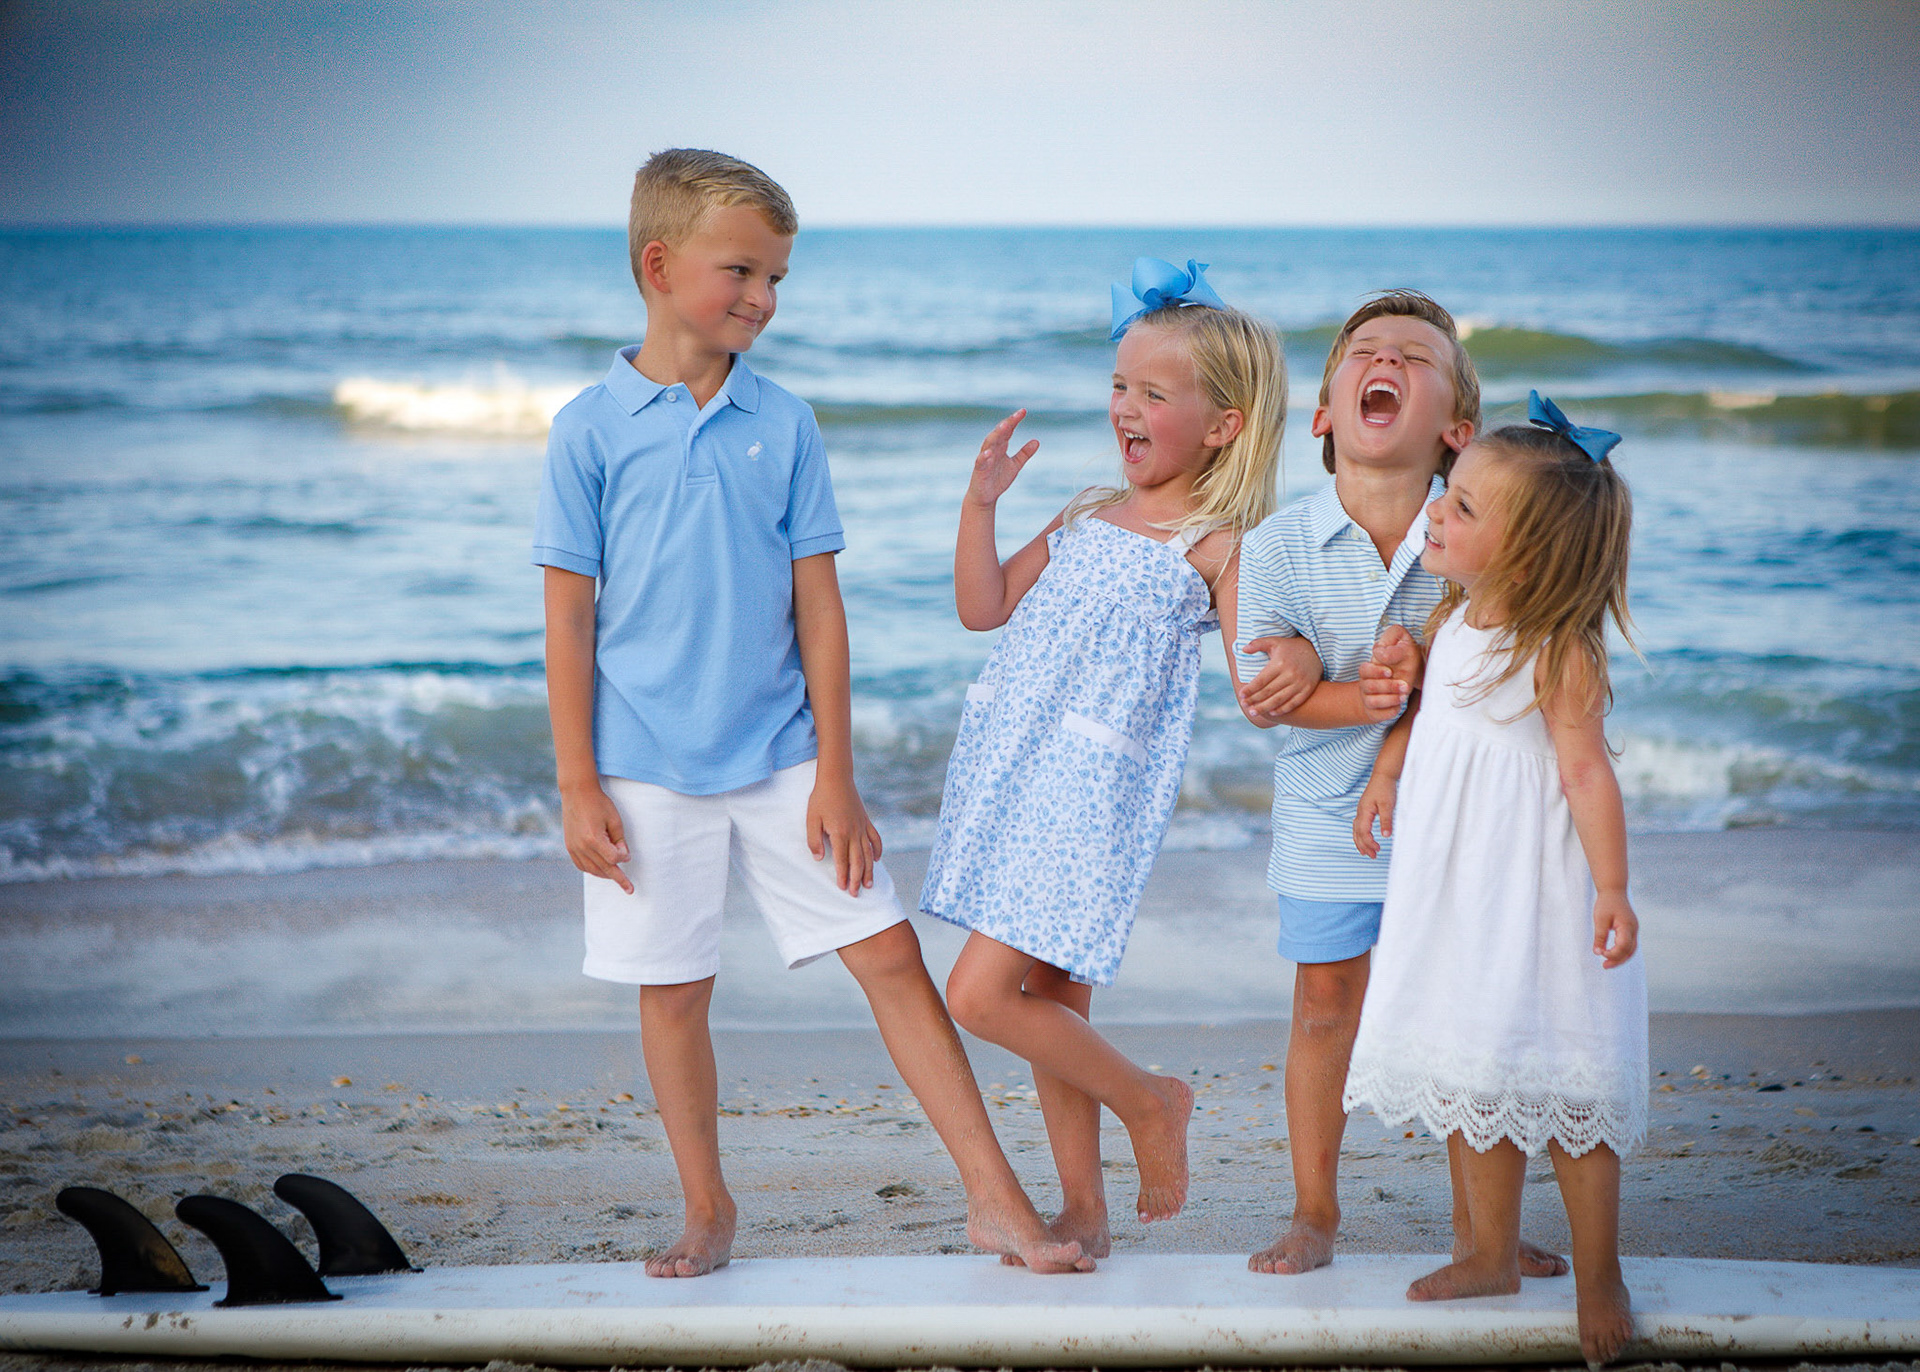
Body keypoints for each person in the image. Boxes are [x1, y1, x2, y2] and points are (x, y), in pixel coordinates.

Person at [534, 148, 1089, 1278]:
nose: (764, 298)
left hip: (784, 750)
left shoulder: (784, 422)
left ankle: (996, 1200)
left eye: (777, 278)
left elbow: (821, 611)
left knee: (889, 953)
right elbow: (570, 621)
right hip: (640, 761)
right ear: (659, 266)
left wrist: (836, 771)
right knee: (673, 992)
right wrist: (578, 782)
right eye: (742, 271)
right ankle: (708, 1209)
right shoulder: (587, 430)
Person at [923, 259, 1285, 1255]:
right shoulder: (1086, 513)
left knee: (980, 995)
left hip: (1089, 792)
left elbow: (1259, 683)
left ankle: (1151, 1101)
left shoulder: (1215, 544)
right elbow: (983, 607)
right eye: (1120, 385)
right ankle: (1084, 1207)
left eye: (1154, 394)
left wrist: (1319, 667)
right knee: (1052, 1001)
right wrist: (980, 504)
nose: (1126, 407)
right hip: (1017, 767)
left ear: (1224, 425)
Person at [1233, 292, 1568, 1280]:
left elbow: (1495, 666)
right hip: (1325, 813)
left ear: (1458, 431)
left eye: (1415, 358)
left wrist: (1396, 682)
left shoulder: (1478, 539)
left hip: (1460, 814)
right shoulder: (1276, 546)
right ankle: (1314, 1212)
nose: (1386, 360)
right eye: (1366, 352)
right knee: (1324, 1003)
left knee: (1469, 1015)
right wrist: (1327, 682)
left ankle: (1482, 1230)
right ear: (1325, 414)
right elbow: (1266, 699)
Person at [1342, 394, 1647, 1366]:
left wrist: (1612, 889)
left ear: (1528, 556)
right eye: (1450, 491)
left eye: (1465, 507)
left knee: (1566, 1079)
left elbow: (1587, 775)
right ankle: (1486, 1250)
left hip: (1537, 899)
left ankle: (1599, 1273)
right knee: (1471, 1059)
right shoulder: (1454, 619)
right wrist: (1387, 774)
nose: (1437, 508)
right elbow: (1428, 717)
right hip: (1457, 893)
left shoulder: (1557, 653)